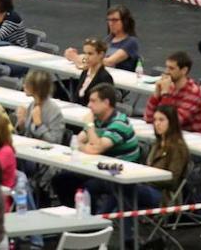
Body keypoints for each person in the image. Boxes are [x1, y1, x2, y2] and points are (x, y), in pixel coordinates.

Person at [51, 84, 140, 212]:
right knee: (61, 179)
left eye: (93, 101)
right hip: (99, 168)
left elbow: (95, 149)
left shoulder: (119, 123)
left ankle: (91, 223)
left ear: (106, 103)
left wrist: (89, 126)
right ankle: (75, 216)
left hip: (119, 173)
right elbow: (78, 141)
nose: (89, 105)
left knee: (87, 188)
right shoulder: (98, 119)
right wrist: (88, 144)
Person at [144, 51, 201, 133]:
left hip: (192, 139)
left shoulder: (193, 93)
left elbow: (172, 122)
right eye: (166, 67)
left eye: (171, 68)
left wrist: (165, 95)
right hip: (173, 135)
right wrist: (157, 93)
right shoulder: (169, 87)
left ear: (184, 70)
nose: (166, 72)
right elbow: (148, 118)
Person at [63, 37, 116, 102]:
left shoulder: (105, 77)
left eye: (90, 54)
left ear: (101, 55)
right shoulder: (85, 72)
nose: (86, 57)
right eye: (85, 53)